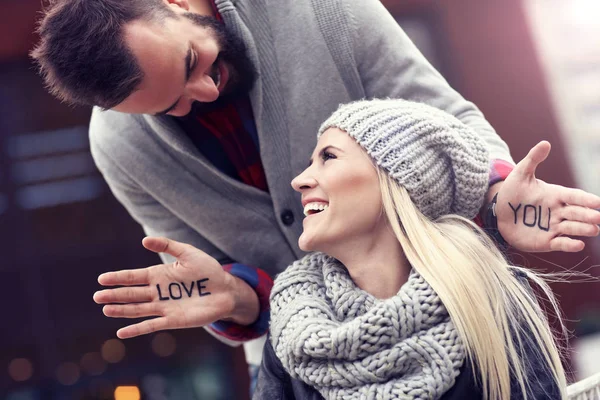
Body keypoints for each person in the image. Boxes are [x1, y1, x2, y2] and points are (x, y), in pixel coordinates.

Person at [33, 0, 600, 384]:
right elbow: (219, 276)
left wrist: (499, 197)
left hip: (452, 320)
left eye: (193, 63)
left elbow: (448, 122)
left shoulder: (319, 7)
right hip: (303, 370)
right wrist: (235, 298)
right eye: (172, 105)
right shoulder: (117, 146)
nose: (203, 92)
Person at [255, 99, 568, 399]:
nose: (299, 181)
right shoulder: (292, 326)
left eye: (329, 157)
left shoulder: (488, 298)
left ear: (397, 180)